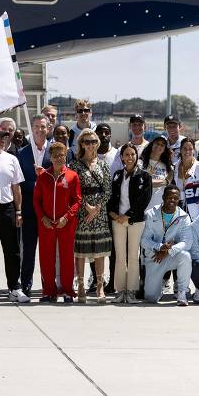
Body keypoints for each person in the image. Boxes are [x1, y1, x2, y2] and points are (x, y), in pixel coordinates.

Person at [0, 126, 28, 302]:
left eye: (4, 137)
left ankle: (14, 288)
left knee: (13, 250)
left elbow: (16, 187)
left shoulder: (11, 159)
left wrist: (18, 211)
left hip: (8, 208)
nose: (3, 140)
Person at [34, 142, 81, 303]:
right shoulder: (43, 177)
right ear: (51, 158)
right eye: (55, 156)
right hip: (46, 224)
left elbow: (77, 200)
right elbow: (36, 200)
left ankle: (68, 291)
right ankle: (49, 291)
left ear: (65, 156)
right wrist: (43, 218)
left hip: (65, 224)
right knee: (46, 257)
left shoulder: (72, 176)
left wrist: (67, 217)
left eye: (62, 155)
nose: (59, 158)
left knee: (66, 257)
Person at [69, 128, 112, 303]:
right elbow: (73, 191)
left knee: (100, 252)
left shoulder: (103, 164)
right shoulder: (75, 165)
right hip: (82, 212)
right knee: (81, 251)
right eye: (86, 141)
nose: (90, 145)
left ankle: (100, 286)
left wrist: (97, 208)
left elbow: (108, 189)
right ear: (81, 144)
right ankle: (80, 287)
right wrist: (87, 206)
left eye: (93, 141)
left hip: (100, 213)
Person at [108, 143, 152, 304]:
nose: (129, 157)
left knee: (133, 256)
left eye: (132, 154)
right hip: (117, 220)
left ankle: (132, 291)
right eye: (126, 154)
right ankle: (120, 290)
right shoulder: (117, 175)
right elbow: (112, 197)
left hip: (135, 221)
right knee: (120, 256)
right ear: (122, 158)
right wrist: (114, 214)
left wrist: (128, 215)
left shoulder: (144, 176)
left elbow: (144, 200)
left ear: (137, 156)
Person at [17, 115, 52, 294]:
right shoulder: (23, 153)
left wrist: (45, 178)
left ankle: (48, 285)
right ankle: (26, 284)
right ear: (32, 128)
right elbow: (20, 181)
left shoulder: (55, 150)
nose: (39, 130)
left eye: (43, 127)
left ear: (48, 128)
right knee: (28, 251)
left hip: (49, 211)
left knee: (47, 252)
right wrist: (38, 184)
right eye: (36, 126)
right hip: (30, 210)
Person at [140, 185, 193, 305]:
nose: (172, 200)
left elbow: (187, 242)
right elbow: (144, 240)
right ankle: (158, 289)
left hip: (171, 256)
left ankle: (182, 293)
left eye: (175, 198)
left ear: (179, 199)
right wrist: (159, 247)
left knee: (185, 256)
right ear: (163, 197)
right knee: (150, 298)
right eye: (169, 197)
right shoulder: (150, 214)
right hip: (155, 258)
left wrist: (168, 251)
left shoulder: (184, 217)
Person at [174, 138, 199, 220]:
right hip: (178, 216)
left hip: (198, 216)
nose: (187, 152)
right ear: (180, 150)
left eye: (190, 149)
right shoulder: (174, 168)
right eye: (184, 149)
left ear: (194, 151)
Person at [140, 136, 173, 212]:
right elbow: (143, 183)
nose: (159, 146)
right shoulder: (140, 163)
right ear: (152, 145)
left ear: (164, 149)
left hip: (159, 208)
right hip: (143, 207)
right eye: (157, 143)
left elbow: (170, 179)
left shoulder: (167, 167)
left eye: (162, 145)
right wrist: (165, 182)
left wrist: (167, 181)